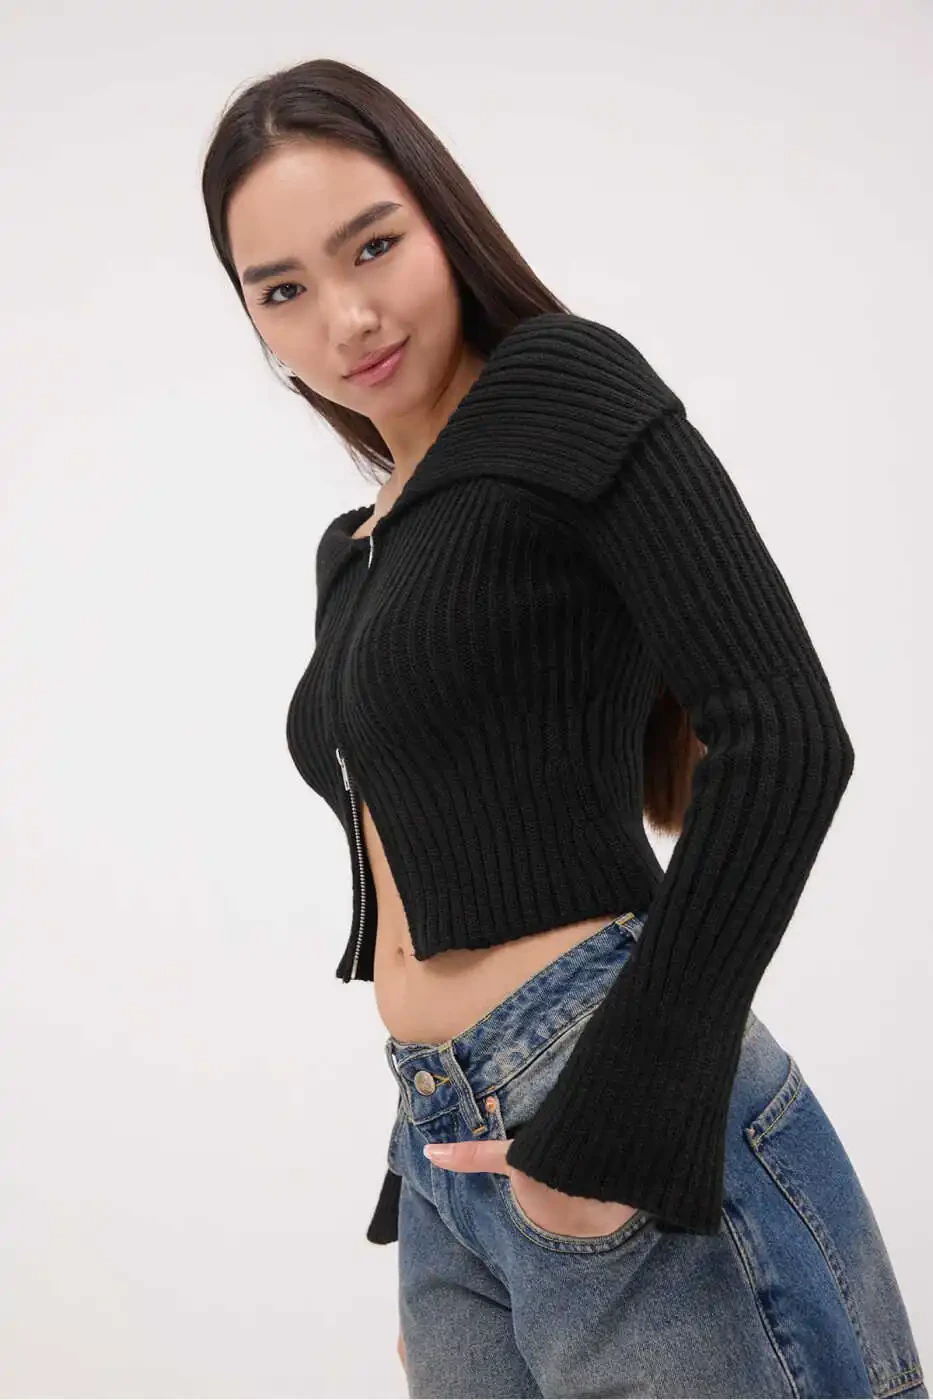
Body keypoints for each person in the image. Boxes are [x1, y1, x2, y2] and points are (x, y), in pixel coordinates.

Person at [201, 57, 927, 1399]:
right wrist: (454, 1214)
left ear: (444, 219)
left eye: (375, 245)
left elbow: (783, 734)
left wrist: (613, 1125)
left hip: (610, 1096)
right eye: (282, 290)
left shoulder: (562, 384)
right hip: (448, 1147)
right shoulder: (352, 553)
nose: (347, 318)